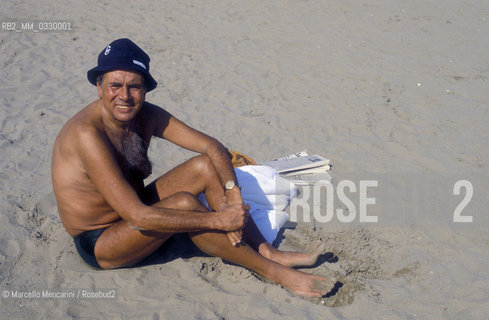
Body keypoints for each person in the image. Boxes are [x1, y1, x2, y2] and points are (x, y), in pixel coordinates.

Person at [51, 38, 336, 298]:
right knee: (185, 203)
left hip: (134, 211)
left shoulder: (145, 115)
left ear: (145, 89)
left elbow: (211, 146)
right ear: (99, 88)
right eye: (115, 85)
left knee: (204, 166)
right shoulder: (88, 135)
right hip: (101, 241)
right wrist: (217, 220)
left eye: (134, 86)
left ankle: (268, 251)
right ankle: (276, 273)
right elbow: (136, 216)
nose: (124, 96)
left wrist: (232, 194)